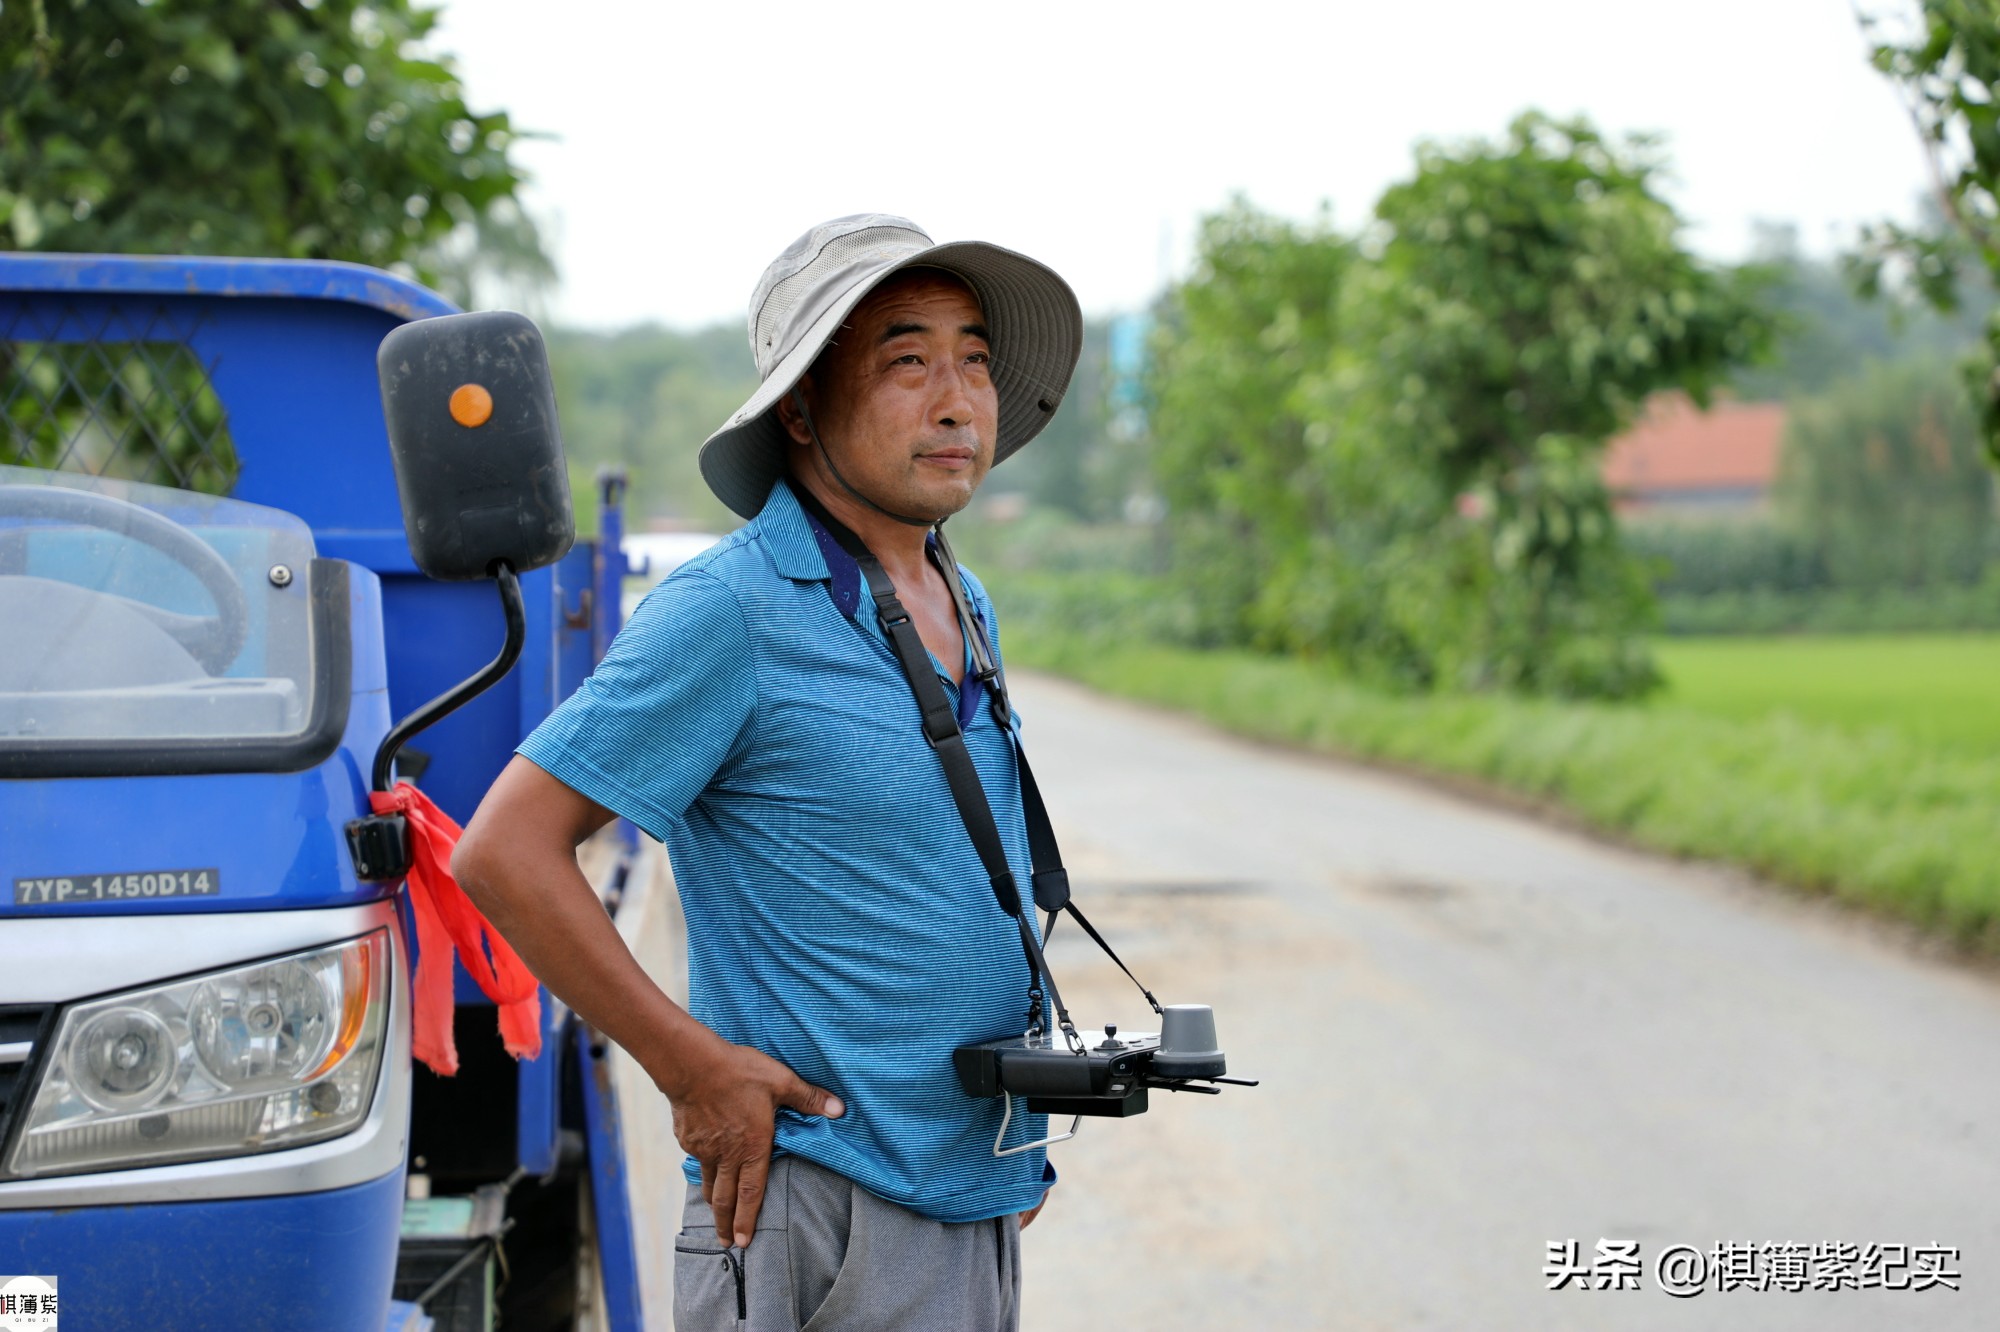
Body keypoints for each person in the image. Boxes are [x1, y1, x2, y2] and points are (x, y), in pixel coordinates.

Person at [452, 213, 1083, 1330]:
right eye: (906, 360)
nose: (957, 399)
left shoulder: (957, 595)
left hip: (961, 1195)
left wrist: (1001, 1147)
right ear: (798, 409)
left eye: (975, 359)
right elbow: (504, 849)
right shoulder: (729, 611)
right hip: (817, 1208)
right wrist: (690, 1068)